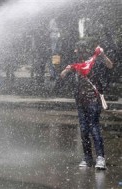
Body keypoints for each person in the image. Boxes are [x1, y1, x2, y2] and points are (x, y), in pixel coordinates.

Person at [60, 38, 114, 169]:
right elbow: (62, 75)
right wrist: (66, 70)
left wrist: (103, 55)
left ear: (83, 50)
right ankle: (87, 158)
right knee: (84, 130)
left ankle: (100, 158)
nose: (76, 52)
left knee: (94, 128)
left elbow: (110, 65)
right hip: (80, 101)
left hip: (93, 101)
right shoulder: (76, 65)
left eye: (78, 49)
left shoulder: (94, 62)